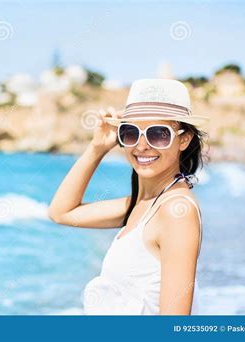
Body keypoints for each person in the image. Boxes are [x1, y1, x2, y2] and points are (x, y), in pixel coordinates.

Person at [48, 78, 209, 315]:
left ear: (184, 139)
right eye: (130, 132)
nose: (141, 145)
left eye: (158, 134)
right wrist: (97, 148)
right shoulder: (142, 204)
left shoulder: (176, 212)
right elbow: (61, 212)